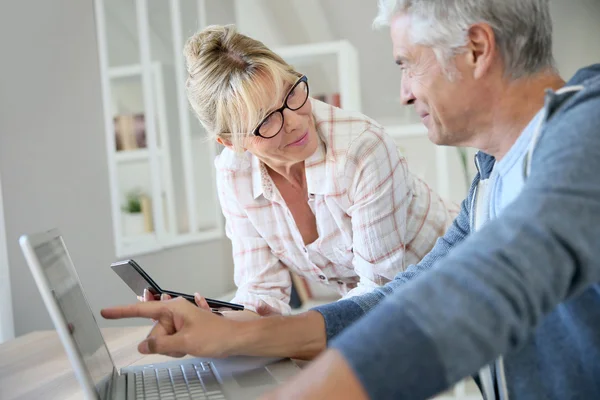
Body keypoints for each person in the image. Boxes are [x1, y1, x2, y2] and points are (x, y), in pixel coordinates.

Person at [102, 0, 600, 399]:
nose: (404, 92)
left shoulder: (588, 128)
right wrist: (230, 333)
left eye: (407, 64)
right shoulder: (491, 177)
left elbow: (486, 288)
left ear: (475, 49)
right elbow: (399, 297)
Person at [141, 24, 457, 317]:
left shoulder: (360, 148)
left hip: (456, 279)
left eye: (291, 92)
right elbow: (261, 290)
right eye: (266, 120)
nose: (294, 121)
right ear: (231, 142)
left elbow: (380, 287)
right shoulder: (233, 173)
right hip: (389, 311)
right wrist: (216, 321)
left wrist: (293, 331)